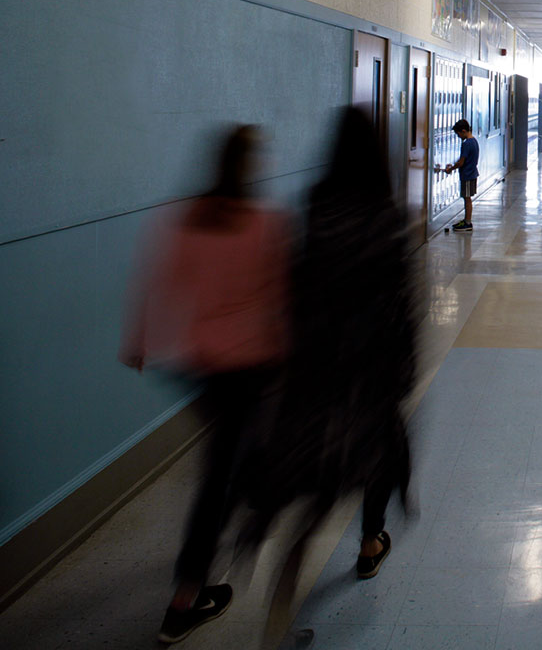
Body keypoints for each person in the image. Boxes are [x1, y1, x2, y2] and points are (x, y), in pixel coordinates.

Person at [247, 108, 420, 637]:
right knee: (377, 458)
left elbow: (297, 288)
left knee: (316, 492)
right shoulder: (387, 218)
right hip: (368, 372)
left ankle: (277, 612)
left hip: (317, 372)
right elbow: (400, 308)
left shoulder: (315, 207)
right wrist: (403, 371)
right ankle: (371, 541)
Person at [120, 125, 289, 645]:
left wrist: (141, 341)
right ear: (252, 167)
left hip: (201, 365)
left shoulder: (183, 219)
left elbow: (157, 282)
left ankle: (249, 508)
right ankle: (184, 598)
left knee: (233, 453)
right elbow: (281, 296)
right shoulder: (265, 224)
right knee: (223, 474)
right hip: (255, 363)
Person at [440, 118, 479, 231]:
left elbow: (461, 162)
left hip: (467, 175)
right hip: (472, 173)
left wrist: (451, 168)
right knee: (467, 198)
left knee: (467, 198)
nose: (458, 137)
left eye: (458, 134)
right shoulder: (474, 141)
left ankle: (467, 222)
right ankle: (467, 220)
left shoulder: (466, 144)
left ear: (463, 131)